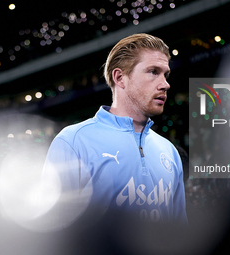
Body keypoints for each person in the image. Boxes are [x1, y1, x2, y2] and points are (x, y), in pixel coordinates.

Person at [41, 33, 187, 227]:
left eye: (165, 74)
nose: (165, 84)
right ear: (120, 77)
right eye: (153, 71)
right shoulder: (74, 142)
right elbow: (51, 233)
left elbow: (179, 232)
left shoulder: (169, 151)